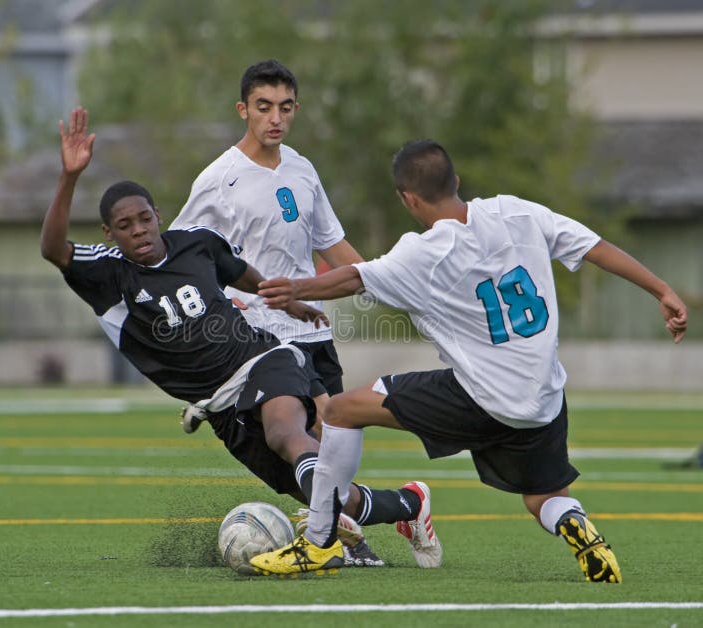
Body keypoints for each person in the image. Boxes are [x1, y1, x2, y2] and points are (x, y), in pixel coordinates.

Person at [250, 139, 688, 580]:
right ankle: (573, 521)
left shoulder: (423, 253)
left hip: (478, 399)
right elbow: (595, 246)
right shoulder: (517, 213)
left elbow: (354, 278)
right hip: (543, 399)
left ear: (408, 198)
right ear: (456, 181)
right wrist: (662, 290)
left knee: (342, 412)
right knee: (544, 498)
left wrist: (296, 289)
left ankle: (318, 542)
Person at [40, 107, 433, 569]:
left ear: (156, 216)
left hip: (262, 358)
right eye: (124, 227)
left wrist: (286, 301)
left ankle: (320, 545)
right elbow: (53, 249)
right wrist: (69, 177)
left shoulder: (196, 242)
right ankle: (410, 505)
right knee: (327, 493)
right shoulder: (110, 275)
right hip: (221, 406)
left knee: (287, 433)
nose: (138, 231)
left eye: (144, 219)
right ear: (110, 233)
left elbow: (241, 273)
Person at [171, 59, 362, 403]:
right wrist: (222, 300)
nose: (276, 118)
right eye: (264, 107)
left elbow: (331, 244)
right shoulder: (218, 178)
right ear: (243, 110)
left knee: (336, 438)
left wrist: (382, 279)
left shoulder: (302, 167)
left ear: (295, 109)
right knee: (313, 425)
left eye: (285, 108)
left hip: (313, 329)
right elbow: (181, 257)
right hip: (260, 334)